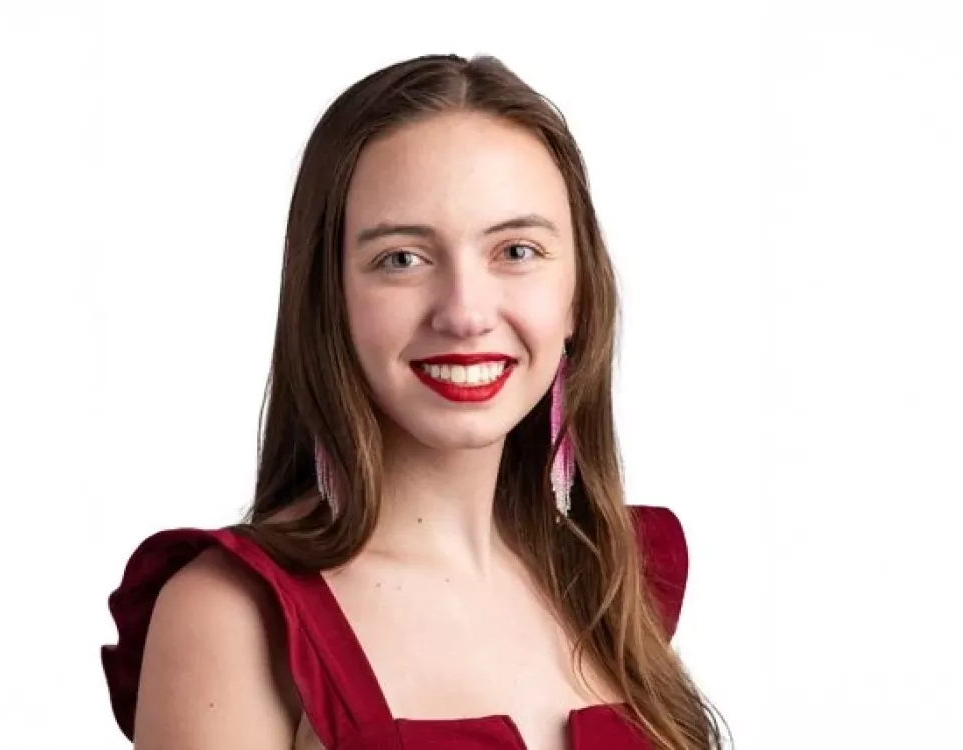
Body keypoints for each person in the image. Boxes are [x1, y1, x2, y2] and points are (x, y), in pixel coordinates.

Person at [101, 53, 726, 750]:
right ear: (328, 301)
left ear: (577, 295)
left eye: (516, 251)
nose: (464, 313)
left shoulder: (613, 583)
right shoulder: (232, 616)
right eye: (402, 258)